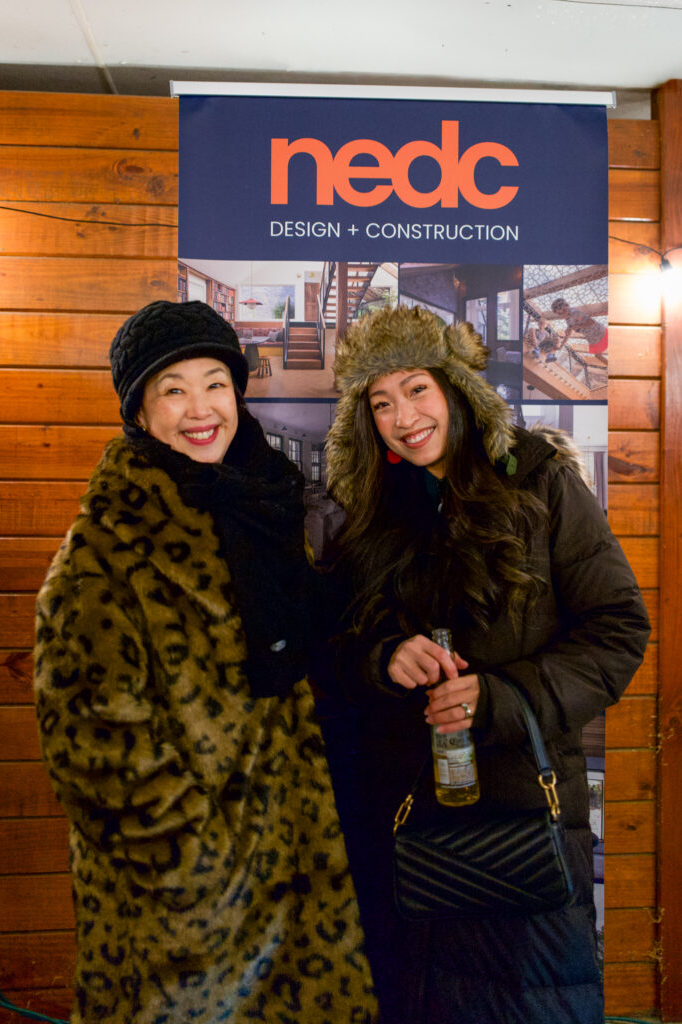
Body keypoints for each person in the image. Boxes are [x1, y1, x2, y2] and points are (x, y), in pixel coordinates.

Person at [33, 300, 378, 1024]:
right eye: (174, 388)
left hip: (298, 884)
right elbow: (95, 753)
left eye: (215, 383)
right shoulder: (104, 553)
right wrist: (204, 876)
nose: (201, 409)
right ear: (139, 412)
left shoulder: (265, 506)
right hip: (183, 927)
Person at [317, 305, 650, 1024]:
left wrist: (499, 698)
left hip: (520, 825)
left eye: (415, 389)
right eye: (380, 402)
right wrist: (383, 658)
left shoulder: (539, 480)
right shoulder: (370, 512)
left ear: (456, 389)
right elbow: (333, 653)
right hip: (405, 830)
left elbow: (618, 628)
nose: (402, 417)